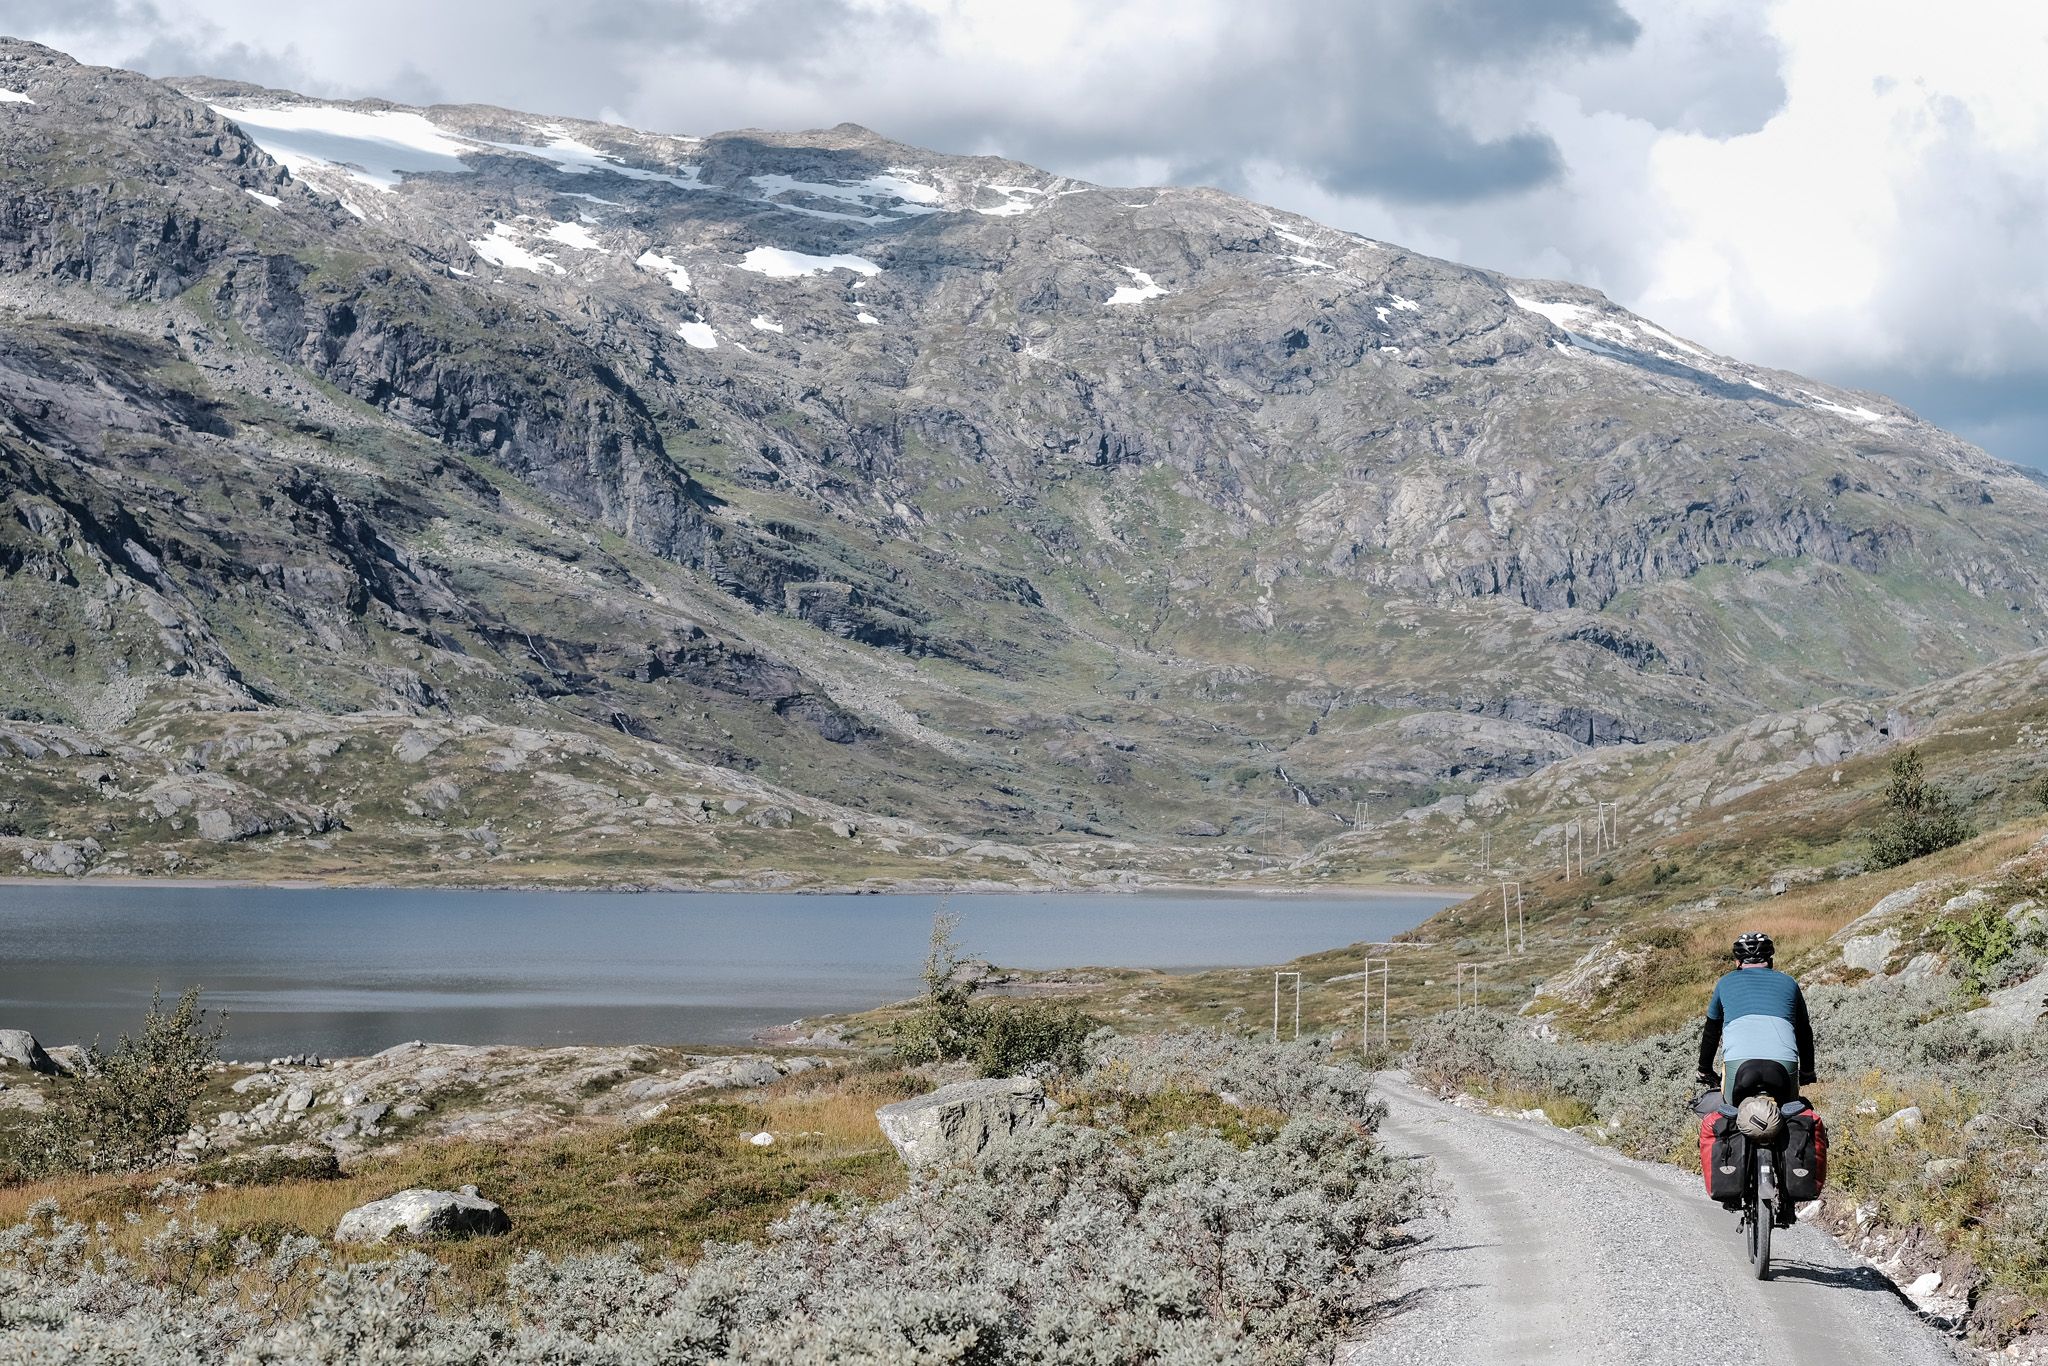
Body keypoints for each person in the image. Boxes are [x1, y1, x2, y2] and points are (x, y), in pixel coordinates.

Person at [1695, 931, 1815, 1103]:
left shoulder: (1724, 983)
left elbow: (1711, 1033)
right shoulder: (1789, 982)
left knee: (1729, 1115)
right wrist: (1807, 1071)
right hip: (1783, 1063)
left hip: (1739, 1063)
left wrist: (1704, 1070)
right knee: (1792, 1113)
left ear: (1737, 962)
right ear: (1771, 960)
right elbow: (1804, 1032)